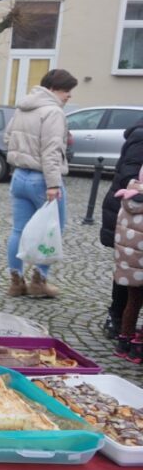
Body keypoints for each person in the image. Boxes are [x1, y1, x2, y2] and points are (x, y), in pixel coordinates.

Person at [3, 68, 78, 299]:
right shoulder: (53, 112)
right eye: (67, 90)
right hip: (43, 179)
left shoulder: (23, 107)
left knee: (17, 230)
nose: (69, 96)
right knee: (52, 230)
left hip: (19, 176)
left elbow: (7, 138)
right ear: (55, 89)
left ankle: (16, 282)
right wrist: (53, 185)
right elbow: (51, 152)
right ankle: (39, 281)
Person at [100, 118, 143, 340]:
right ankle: (117, 321)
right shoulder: (141, 136)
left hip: (134, 217)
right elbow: (130, 175)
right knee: (128, 273)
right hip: (132, 216)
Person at [111, 166, 143, 362]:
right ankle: (139, 347)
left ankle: (124, 342)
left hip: (131, 267)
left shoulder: (129, 197)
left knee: (132, 303)